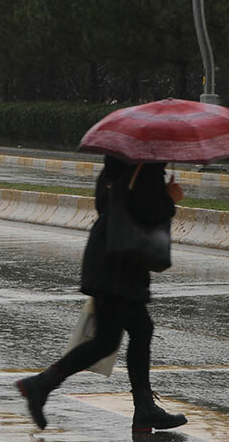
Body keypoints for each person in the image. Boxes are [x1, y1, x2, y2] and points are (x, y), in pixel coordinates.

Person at [16, 156, 187, 436]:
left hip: (110, 256)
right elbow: (145, 211)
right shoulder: (148, 167)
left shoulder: (116, 166)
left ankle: (143, 409)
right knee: (107, 341)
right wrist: (169, 199)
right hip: (121, 264)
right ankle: (41, 384)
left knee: (140, 329)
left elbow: (104, 204)